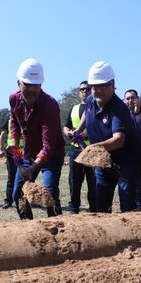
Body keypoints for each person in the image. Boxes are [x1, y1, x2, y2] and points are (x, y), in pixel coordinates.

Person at [77, 62, 139, 213]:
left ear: (112, 85)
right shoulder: (91, 100)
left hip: (125, 162)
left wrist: (93, 148)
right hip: (103, 160)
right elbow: (87, 112)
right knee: (101, 204)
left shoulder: (118, 108)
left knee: (127, 206)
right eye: (94, 87)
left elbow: (118, 140)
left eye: (103, 86)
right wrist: (79, 129)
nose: (98, 91)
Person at [9, 58, 64, 219]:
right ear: (19, 83)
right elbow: (14, 123)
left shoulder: (50, 105)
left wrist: (32, 169)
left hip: (52, 155)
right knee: (18, 194)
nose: (33, 89)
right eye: (28, 84)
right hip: (29, 153)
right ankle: (29, 229)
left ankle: (58, 231)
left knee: (49, 194)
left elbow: (48, 146)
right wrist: (14, 142)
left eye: (37, 85)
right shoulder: (14, 99)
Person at [62, 81, 96, 214]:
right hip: (75, 150)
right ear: (78, 92)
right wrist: (68, 133)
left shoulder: (96, 107)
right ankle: (74, 208)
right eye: (82, 89)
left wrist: (86, 134)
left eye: (87, 89)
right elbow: (66, 126)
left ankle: (94, 207)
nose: (85, 91)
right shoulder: (74, 108)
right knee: (74, 181)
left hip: (91, 150)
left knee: (93, 181)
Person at [0, 115, 22, 209]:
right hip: (12, 152)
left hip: (25, 152)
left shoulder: (28, 116)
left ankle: (23, 200)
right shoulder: (8, 119)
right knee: (11, 177)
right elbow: (2, 135)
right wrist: (0, 149)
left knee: (26, 176)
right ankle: (8, 201)